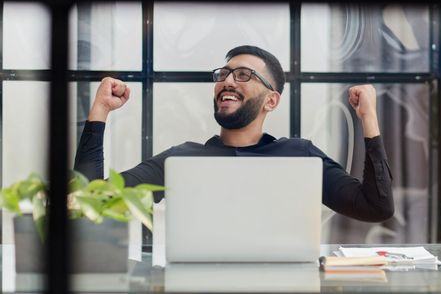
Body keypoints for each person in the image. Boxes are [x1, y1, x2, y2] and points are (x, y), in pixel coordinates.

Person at [74, 45, 394, 222]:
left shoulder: (300, 157)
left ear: (272, 100)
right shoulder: (181, 160)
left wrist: (369, 119)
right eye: (223, 74)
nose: (227, 81)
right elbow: (89, 202)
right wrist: (99, 111)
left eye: (243, 75)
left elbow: (376, 207)